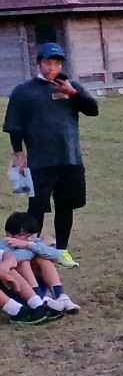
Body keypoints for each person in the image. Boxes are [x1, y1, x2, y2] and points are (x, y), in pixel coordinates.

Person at [4, 42, 99, 266]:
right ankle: (31, 249)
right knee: (37, 207)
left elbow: (92, 110)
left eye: (57, 63)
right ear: (39, 63)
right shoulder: (23, 92)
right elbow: (14, 125)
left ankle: (62, 251)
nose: (52, 68)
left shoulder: (70, 87)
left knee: (65, 206)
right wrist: (18, 152)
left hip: (70, 158)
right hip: (40, 161)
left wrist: (73, 93)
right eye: (48, 62)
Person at [1, 210, 79, 312]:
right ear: (9, 235)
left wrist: (29, 245)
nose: (29, 239)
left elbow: (57, 254)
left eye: (32, 235)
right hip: (17, 289)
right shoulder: (4, 244)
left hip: (38, 282)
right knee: (24, 263)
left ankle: (60, 296)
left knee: (44, 260)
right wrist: (38, 247)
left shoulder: (32, 242)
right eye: (25, 235)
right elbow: (17, 258)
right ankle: (39, 300)